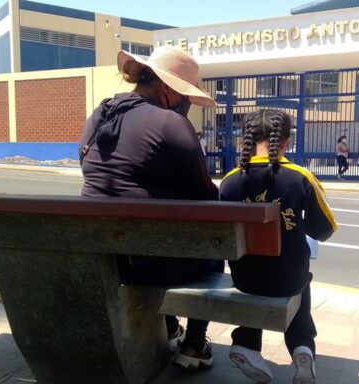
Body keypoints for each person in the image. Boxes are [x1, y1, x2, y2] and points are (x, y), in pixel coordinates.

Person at [79, 45, 222, 370]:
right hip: (149, 264)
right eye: (185, 93)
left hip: (100, 258)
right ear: (168, 87)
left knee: (152, 243)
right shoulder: (170, 123)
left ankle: (170, 328)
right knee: (216, 249)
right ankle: (195, 346)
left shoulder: (99, 116)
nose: (187, 102)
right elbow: (206, 197)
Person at [220, 109, 337, 384]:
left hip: (244, 278)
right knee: (301, 279)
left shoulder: (230, 181)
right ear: (285, 141)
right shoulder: (299, 177)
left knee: (258, 278)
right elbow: (324, 230)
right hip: (289, 278)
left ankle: (247, 343)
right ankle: (302, 346)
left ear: (246, 140)